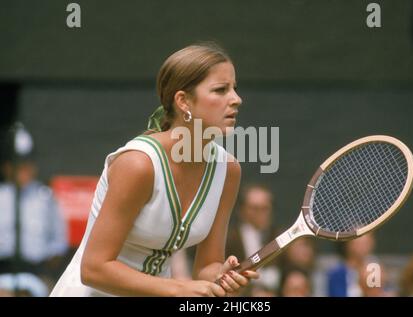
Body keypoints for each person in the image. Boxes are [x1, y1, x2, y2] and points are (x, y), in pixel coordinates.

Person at [50, 43, 259, 297]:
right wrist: (179, 287)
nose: (236, 99)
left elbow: (206, 266)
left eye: (234, 89)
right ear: (183, 101)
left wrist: (220, 275)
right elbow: (94, 269)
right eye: (220, 90)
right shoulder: (138, 165)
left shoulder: (228, 171)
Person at [0, 123, 68, 296]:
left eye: (27, 164)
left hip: (36, 273)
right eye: (17, 165)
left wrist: (46, 267)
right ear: (6, 167)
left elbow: (59, 243)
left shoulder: (46, 197)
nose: (24, 170)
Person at [226, 183, 280, 296]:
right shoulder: (229, 240)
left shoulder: (280, 237)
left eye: (265, 208)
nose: (260, 213)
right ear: (241, 210)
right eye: (255, 208)